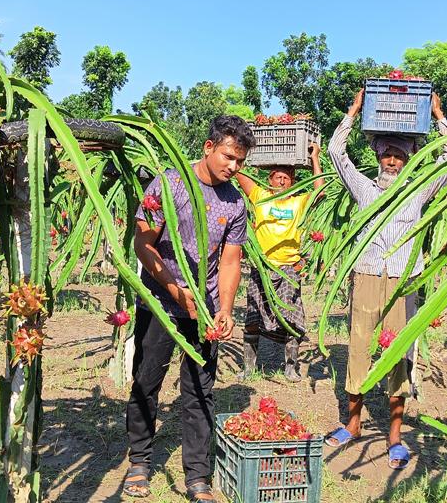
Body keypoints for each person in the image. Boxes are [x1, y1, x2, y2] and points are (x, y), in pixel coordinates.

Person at [323, 89, 447, 470]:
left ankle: (395, 436)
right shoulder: (364, 189)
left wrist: (437, 114)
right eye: (387, 154)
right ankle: (352, 423)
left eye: (399, 155)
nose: (393, 160)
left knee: (398, 353)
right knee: (359, 346)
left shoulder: (419, 192)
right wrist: (352, 111)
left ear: (409, 159)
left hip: (404, 279)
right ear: (379, 156)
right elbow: (336, 153)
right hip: (367, 274)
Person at [123, 115, 255, 502]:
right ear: (208, 148)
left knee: (199, 391)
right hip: (161, 302)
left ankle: (198, 476)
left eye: (241, 162)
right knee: (147, 381)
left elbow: (231, 262)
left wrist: (225, 309)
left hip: (206, 310)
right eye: (230, 157)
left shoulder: (235, 203)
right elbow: (143, 245)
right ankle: (140, 462)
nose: (234, 167)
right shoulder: (169, 184)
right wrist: (175, 291)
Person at [234, 142, 324, 382]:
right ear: (269, 179)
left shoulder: (298, 201)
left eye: (286, 178)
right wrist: (246, 149)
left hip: (288, 269)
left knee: (291, 318)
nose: (282, 182)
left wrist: (314, 158)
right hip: (262, 267)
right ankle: (248, 369)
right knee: (253, 316)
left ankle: (291, 367)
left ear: (293, 182)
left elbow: (320, 192)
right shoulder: (260, 196)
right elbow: (239, 172)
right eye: (277, 177)